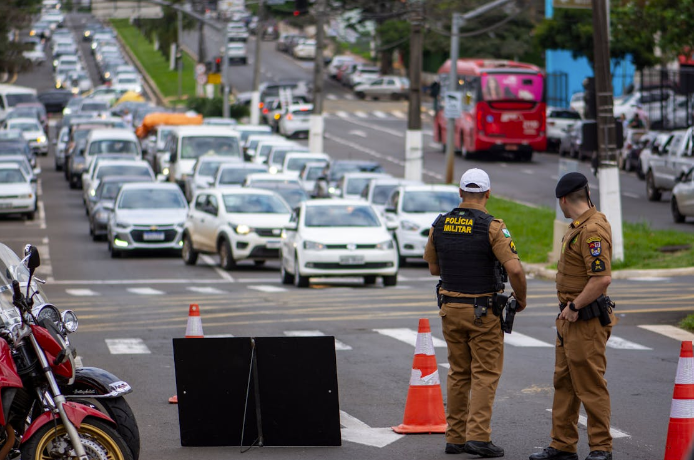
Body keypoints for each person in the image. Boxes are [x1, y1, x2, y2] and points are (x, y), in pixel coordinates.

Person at [423, 168, 527, 458]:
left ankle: (455, 438)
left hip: (450, 308)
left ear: (459, 193)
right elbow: (515, 268)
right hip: (482, 312)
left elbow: (434, 268)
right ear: (487, 194)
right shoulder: (493, 226)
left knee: (458, 372)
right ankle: (478, 437)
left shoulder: (439, 224)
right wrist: (521, 298)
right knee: (484, 373)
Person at [529, 172, 615, 460]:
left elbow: (601, 279)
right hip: (569, 319)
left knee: (590, 385)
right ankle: (562, 445)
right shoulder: (579, 226)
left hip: (585, 320)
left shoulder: (592, 230)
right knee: (564, 384)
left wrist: (575, 306)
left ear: (564, 200)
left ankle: (601, 448)